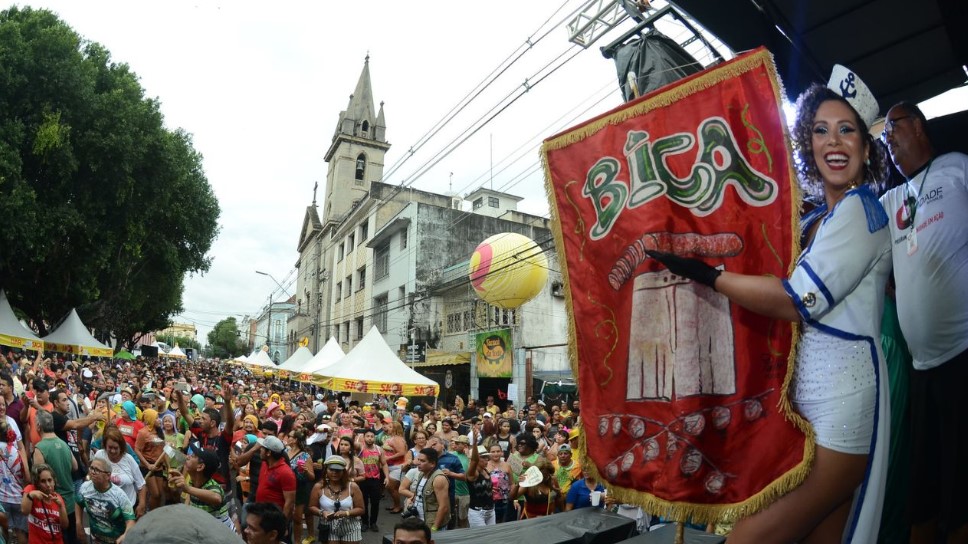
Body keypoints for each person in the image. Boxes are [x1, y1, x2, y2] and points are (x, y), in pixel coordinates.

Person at [648, 79, 892, 542]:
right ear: (808, 142)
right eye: (821, 131)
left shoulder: (862, 212)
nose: (834, 143)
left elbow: (798, 299)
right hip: (808, 409)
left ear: (866, 144)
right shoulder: (818, 219)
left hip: (841, 410)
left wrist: (709, 276)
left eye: (847, 130)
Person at [879, 101, 968, 544]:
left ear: (917, 124)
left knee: (961, 488)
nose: (888, 139)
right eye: (883, 137)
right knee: (924, 489)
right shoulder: (890, 200)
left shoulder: (957, 169)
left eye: (893, 128)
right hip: (920, 370)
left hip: (963, 357)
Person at [32, 410, 82, 542]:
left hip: (54, 504)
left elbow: (37, 479)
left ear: (38, 426)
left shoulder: (40, 448)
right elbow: (75, 466)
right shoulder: (64, 444)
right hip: (70, 501)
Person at [170, 447, 234, 530]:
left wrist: (188, 489)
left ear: (200, 467)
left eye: (193, 456)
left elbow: (216, 498)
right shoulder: (192, 482)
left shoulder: (212, 486)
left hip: (221, 533)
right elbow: (188, 500)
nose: (187, 457)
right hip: (204, 527)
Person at [75, 457, 136, 544]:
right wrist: (78, 524)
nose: (92, 472)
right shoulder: (85, 487)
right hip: (96, 540)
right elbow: (78, 503)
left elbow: (131, 521)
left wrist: (125, 535)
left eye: (97, 470)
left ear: (108, 475)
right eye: (91, 468)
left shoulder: (120, 495)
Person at [308, 455, 364, 544]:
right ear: (326, 470)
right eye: (331, 470)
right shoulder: (318, 487)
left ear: (343, 472)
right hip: (328, 526)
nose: (334, 473)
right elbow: (311, 506)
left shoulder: (353, 486)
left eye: (338, 470)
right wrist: (322, 512)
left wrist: (346, 513)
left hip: (350, 526)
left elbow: (361, 509)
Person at [92, 426, 146, 517]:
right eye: (110, 447)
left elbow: (141, 485)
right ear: (105, 445)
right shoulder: (99, 455)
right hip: (104, 510)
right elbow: (92, 476)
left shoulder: (129, 460)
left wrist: (142, 505)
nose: (112, 451)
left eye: (116, 448)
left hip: (126, 510)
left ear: (121, 447)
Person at [21, 463, 68, 544]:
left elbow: (65, 525)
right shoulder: (31, 490)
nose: (48, 485)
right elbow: (24, 511)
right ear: (37, 483)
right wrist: (31, 496)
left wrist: (61, 507)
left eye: (50, 480)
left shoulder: (58, 498)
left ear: (54, 481)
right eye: (43, 481)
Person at [357, 428, 389, 533]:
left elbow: (384, 464)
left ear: (374, 438)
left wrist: (387, 477)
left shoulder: (379, 449)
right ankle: (365, 523)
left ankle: (373, 523)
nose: (370, 439)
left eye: (372, 436)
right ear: (364, 437)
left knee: (375, 502)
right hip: (362, 479)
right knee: (363, 502)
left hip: (375, 480)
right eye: (368, 436)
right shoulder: (359, 449)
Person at [285, 428, 314, 544]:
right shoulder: (285, 452)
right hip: (286, 488)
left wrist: (306, 471)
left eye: (290, 436)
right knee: (286, 516)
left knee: (297, 518)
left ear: (296, 440)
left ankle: (297, 541)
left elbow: (311, 477)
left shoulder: (305, 456)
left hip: (300, 489)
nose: (288, 438)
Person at [463, 438, 495, 527]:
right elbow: (474, 460)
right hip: (477, 513)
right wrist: (474, 442)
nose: (487, 460)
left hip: (491, 511)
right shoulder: (473, 473)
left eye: (487, 457)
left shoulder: (486, 471)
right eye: (483, 457)